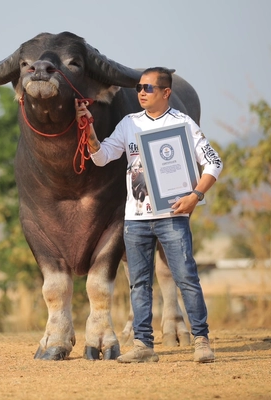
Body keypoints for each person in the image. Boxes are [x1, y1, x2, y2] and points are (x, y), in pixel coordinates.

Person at [75, 67, 223, 363]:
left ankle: (202, 341)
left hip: (173, 217)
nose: (141, 92)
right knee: (139, 283)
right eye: (139, 87)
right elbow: (102, 157)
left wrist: (196, 195)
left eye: (148, 88)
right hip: (135, 219)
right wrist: (87, 127)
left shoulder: (183, 123)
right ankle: (143, 346)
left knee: (187, 279)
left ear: (166, 93)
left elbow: (214, 162)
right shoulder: (129, 124)